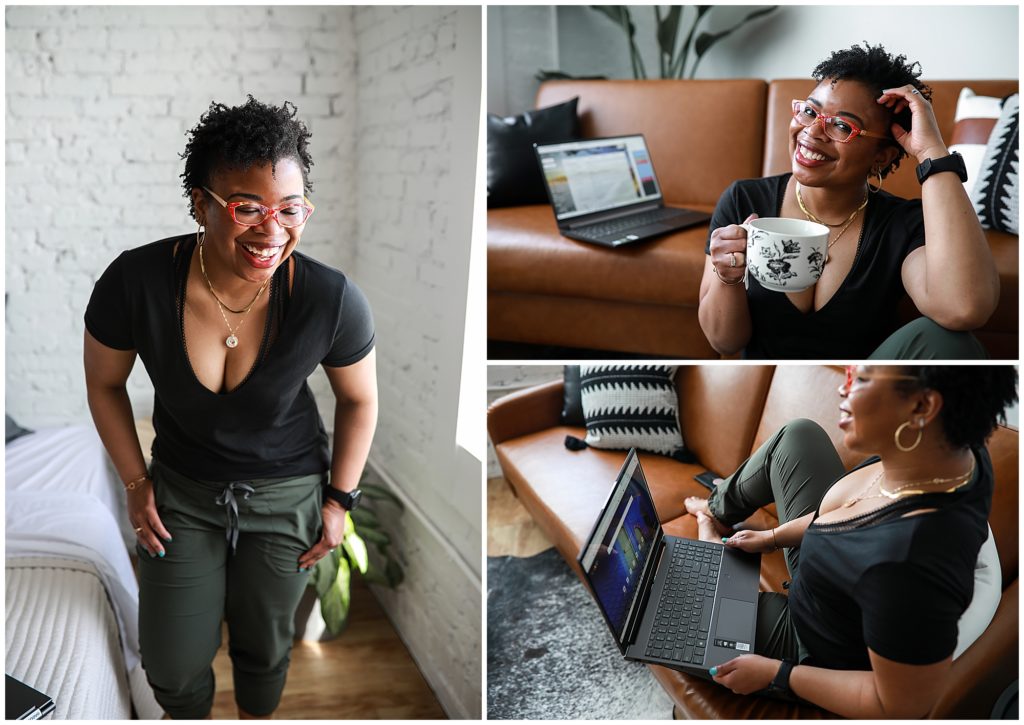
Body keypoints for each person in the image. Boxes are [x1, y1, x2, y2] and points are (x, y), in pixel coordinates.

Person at [83, 97, 378, 719]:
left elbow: (359, 399)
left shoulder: (330, 297)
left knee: (265, 651)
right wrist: (136, 482)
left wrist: (338, 503)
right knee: (171, 661)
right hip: (181, 497)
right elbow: (105, 385)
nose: (273, 231)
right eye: (248, 208)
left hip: (287, 495)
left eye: (291, 210)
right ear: (201, 203)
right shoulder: (134, 282)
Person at [682, 365, 1017, 717]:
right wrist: (772, 537)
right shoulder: (949, 454)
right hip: (822, 570)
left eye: (863, 378)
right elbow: (844, 512)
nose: (843, 387)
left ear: (922, 408)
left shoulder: (906, 567)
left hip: (815, 642)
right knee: (799, 435)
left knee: (673, 626)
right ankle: (717, 511)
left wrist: (779, 674)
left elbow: (895, 707)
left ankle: (708, 533)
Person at [698, 43, 999, 359]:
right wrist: (727, 278)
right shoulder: (743, 199)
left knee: (953, 342)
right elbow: (724, 342)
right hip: (779, 386)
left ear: (880, 158)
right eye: (810, 111)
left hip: (859, 385)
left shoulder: (901, 225)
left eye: (842, 125)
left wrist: (931, 153)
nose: (813, 131)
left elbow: (964, 308)